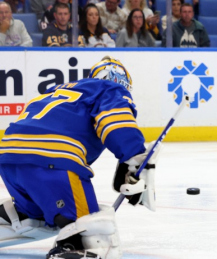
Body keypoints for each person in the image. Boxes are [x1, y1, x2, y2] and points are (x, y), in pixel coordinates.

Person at [0, 56, 159, 258]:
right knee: (92, 232)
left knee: (37, 214)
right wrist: (136, 157)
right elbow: (117, 123)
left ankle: (18, 215)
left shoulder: (55, 91)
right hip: (51, 160)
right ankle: (74, 245)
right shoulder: (110, 89)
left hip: (9, 158)